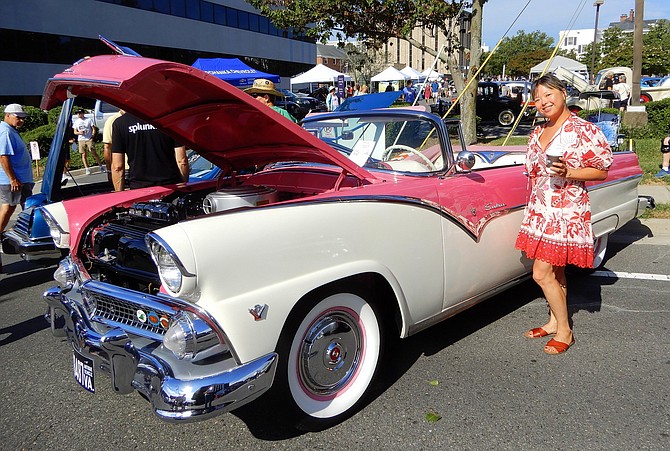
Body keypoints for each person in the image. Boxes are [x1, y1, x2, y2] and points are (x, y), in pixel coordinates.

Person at [515, 74, 613, 355]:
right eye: (538, 97)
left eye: (549, 94)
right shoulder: (537, 132)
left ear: (563, 93)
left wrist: (570, 172)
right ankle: (553, 321)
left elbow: (602, 169)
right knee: (556, 271)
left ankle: (565, 331)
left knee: (541, 273)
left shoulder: (584, 130)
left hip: (566, 212)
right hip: (540, 210)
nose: (543, 102)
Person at [111, 113, 189, 191]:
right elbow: (182, 160)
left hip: (139, 188)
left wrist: (119, 194)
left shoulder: (120, 123)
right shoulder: (169, 120)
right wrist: (183, 185)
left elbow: (118, 166)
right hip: (170, 184)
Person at [0, 104, 34, 272]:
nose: (21, 120)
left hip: (21, 179)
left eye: (23, 117)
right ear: (7, 115)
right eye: (18, 117)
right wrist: (13, 178)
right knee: (8, 208)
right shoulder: (5, 131)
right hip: (13, 180)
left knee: (26, 207)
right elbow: (3, 156)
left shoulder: (11, 130)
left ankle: (27, 238)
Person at [73, 109, 104, 174]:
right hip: (81, 139)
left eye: (80, 113)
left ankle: (101, 166)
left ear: (83, 113)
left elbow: (93, 128)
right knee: (83, 154)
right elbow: (75, 132)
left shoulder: (88, 120)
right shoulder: (76, 121)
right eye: (77, 113)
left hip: (89, 138)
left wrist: (92, 136)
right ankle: (87, 168)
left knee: (93, 152)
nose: (78, 114)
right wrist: (79, 133)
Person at [102, 109, 125, 182]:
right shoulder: (112, 120)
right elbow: (107, 147)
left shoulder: (139, 118)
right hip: (124, 168)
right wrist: (109, 170)